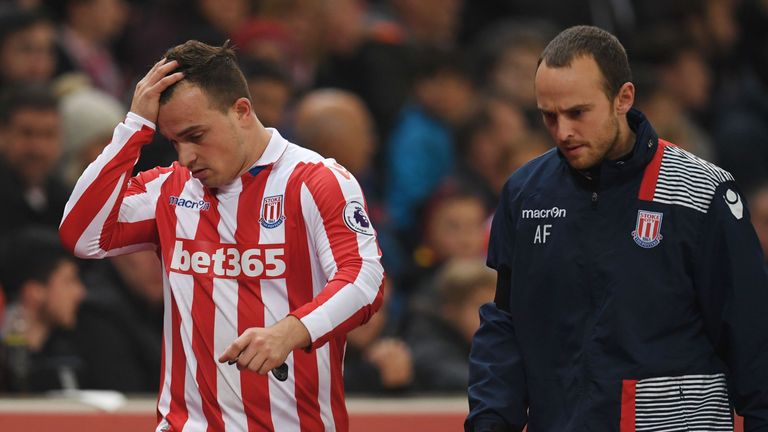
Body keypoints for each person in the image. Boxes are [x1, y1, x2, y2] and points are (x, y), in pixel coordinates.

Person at [59, 40, 385, 431]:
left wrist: (291, 331)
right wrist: (133, 128)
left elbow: (365, 279)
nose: (185, 157)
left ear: (241, 111)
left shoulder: (315, 181)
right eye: (174, 142)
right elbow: (82, 234)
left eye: (196, 136)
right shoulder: (171, 188)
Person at [465, 25, 768, 431]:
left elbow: (753, 337)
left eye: (577, 112)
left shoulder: (702, 193)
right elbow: (506, 324)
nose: (563, 132)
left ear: (623, 97)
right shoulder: (525, 195)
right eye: (548, 116)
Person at [0, 226, 86, 393]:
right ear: (34, 292)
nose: (80, 293)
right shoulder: (4, 366)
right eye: (69, 281)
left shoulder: (68, 357)